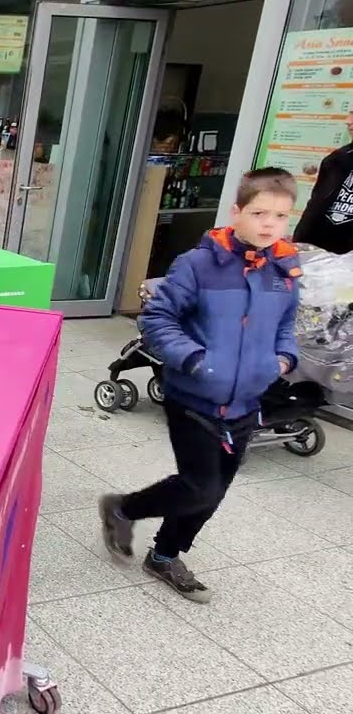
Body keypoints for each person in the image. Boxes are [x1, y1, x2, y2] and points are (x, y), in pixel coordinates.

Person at [98, 168, 302, 604]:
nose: (269, 224)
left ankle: (166, 554)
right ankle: (123, 508)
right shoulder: (198, 264)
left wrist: (283, 359)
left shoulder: (284, 270)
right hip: (193, 397)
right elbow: (155, 318)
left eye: (280, 216)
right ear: (237, 212)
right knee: (200, 485)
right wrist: (195, 360)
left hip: (246, 400)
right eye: (259, 212)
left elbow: (286, 327)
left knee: (214, 492)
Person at [293, 107, 353, 254]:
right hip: (317, 256)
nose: (348, 121)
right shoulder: (337, 159)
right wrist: (297, 243)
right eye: (350, 113)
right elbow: (315, 208)